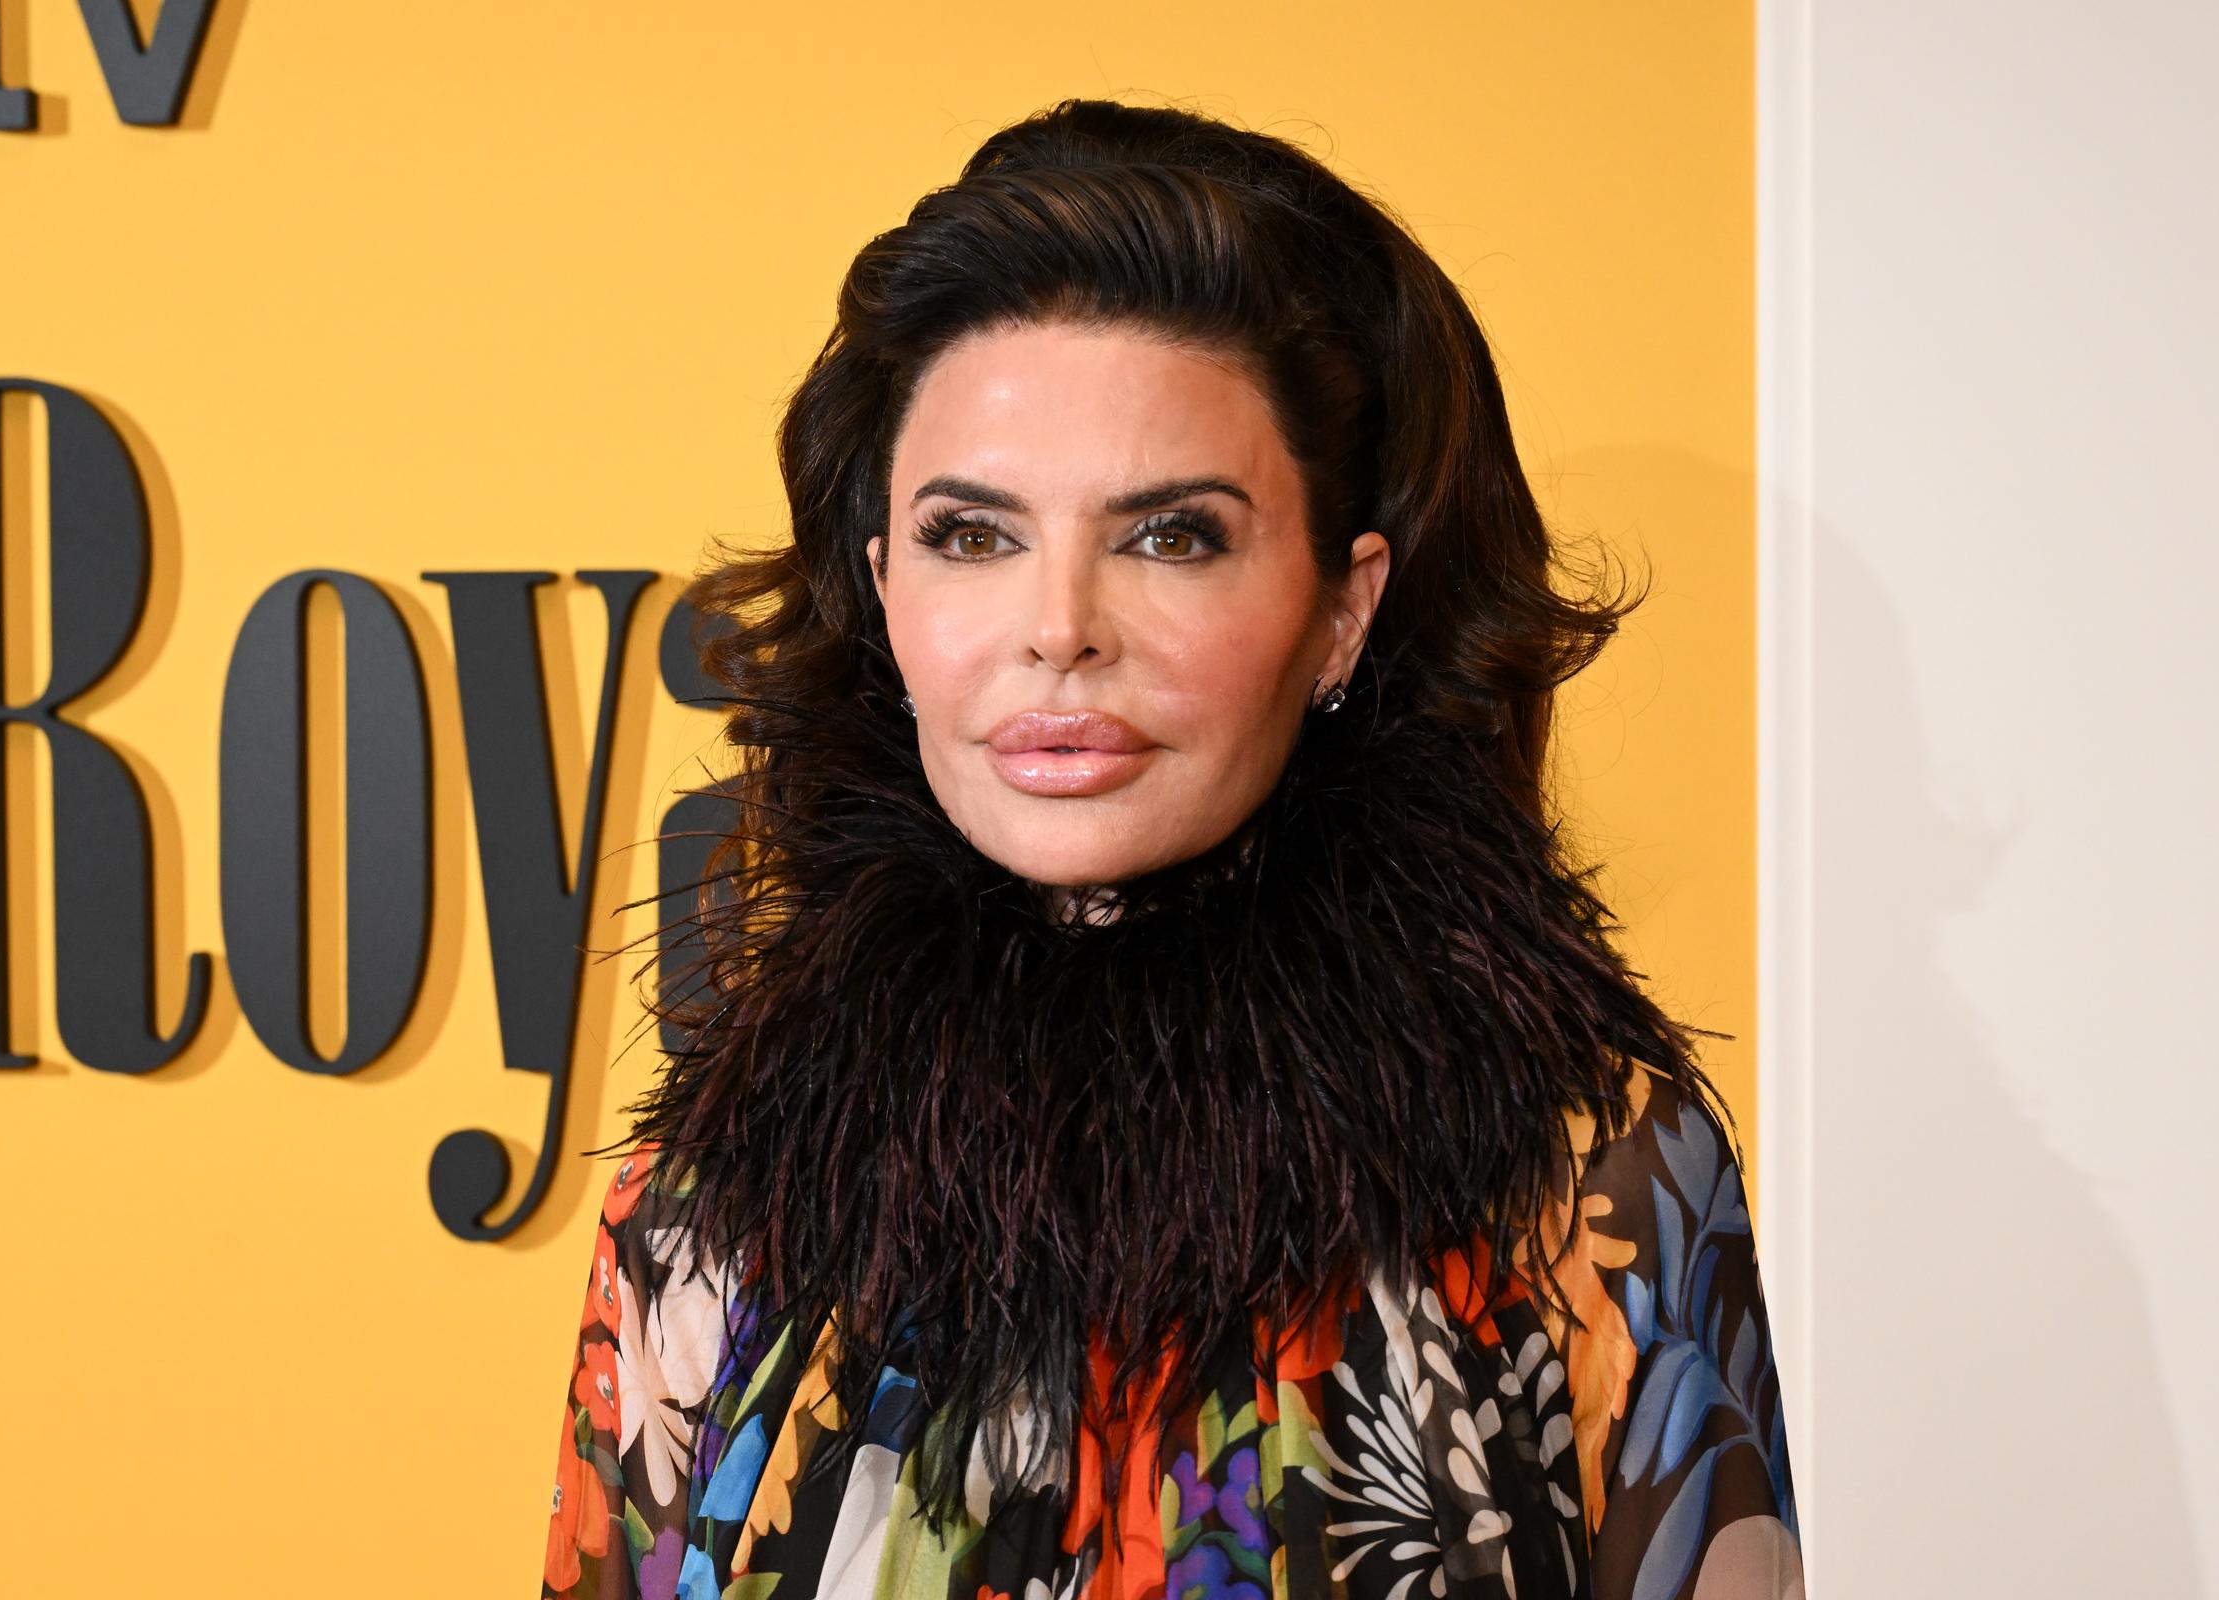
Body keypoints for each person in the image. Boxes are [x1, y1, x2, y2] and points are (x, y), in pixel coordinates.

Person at [541, 98, 1802, 1600]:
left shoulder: (1585, 1179)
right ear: (882, 589)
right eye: (971, 534)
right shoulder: (714, 1207)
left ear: (1346, 607)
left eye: (1170, 536)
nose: (1058, 624)